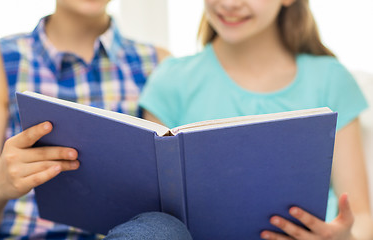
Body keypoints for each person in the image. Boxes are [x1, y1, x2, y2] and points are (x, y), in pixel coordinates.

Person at [139, 0, 373, 239]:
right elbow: (157, 216)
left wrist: (344, 237)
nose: (229, 4)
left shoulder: (330, 80)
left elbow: (360, 218)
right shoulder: (171, 80)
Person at [0, 0, 192, 239]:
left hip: (124, 234)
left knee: (165, 228)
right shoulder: (0, 60)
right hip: (22, 233)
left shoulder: (157, 63)